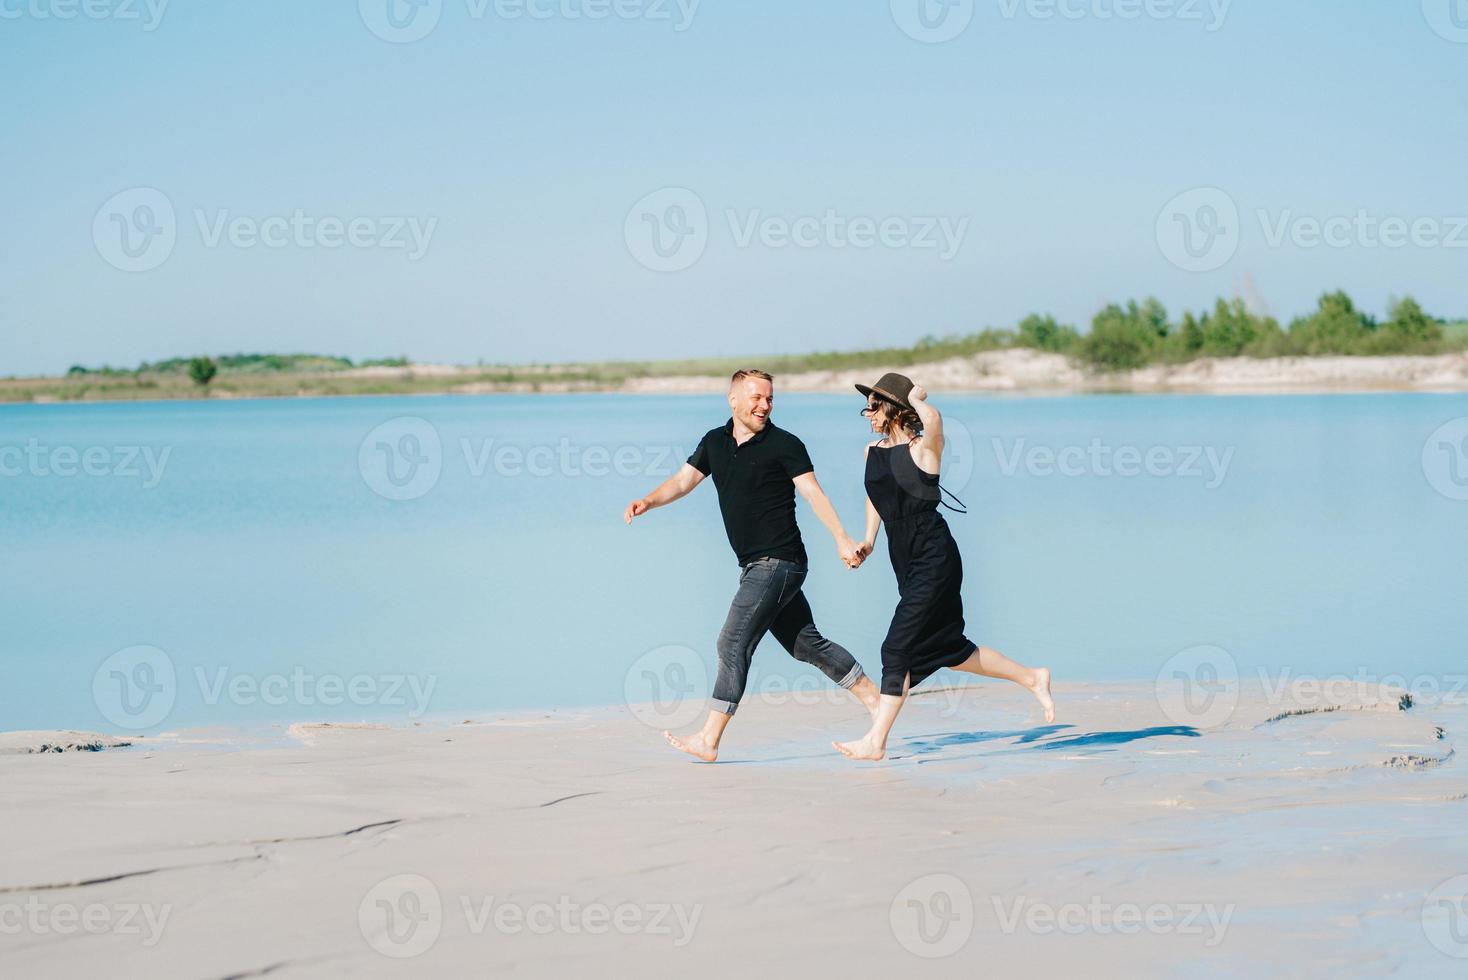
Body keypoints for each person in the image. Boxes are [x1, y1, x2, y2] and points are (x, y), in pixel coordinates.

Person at [624, 369, 881, 762]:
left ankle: (709, 739)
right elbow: (682, 481)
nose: (764, 405)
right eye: (757, 397)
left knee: (731, 641)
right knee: (806, 645)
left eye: (770, 399)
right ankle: (880, 703)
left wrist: (842, 539)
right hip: (755, 567)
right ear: (733, 399)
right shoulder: (714, 442)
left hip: (779, 562)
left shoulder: (785, 444)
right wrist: (648, 501)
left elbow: (813, 494)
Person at [833, 372, 1054, 762]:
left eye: (872, 405)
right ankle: (1033, 677)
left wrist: (917, 398)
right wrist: (868, 540)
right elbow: (876, 497)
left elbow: (933, 421)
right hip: (903, 558)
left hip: (935, 557)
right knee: (952, 650)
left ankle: (875, 742)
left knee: (895, 646)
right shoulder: (872, 451)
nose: (866, 413)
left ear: (893, 409)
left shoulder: (924, 450)